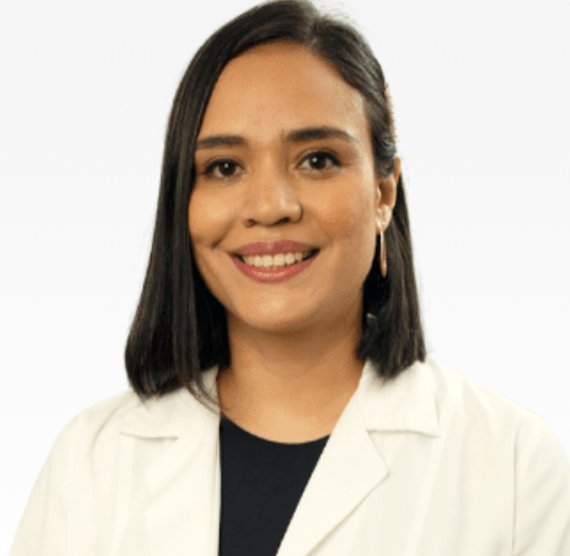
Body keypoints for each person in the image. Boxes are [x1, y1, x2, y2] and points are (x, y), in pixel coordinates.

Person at [10, 1, 570, 555]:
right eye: (224, 167)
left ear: (383, 193)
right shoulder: (92, 464)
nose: (271, 207)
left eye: (317, 159)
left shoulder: (513, 470)